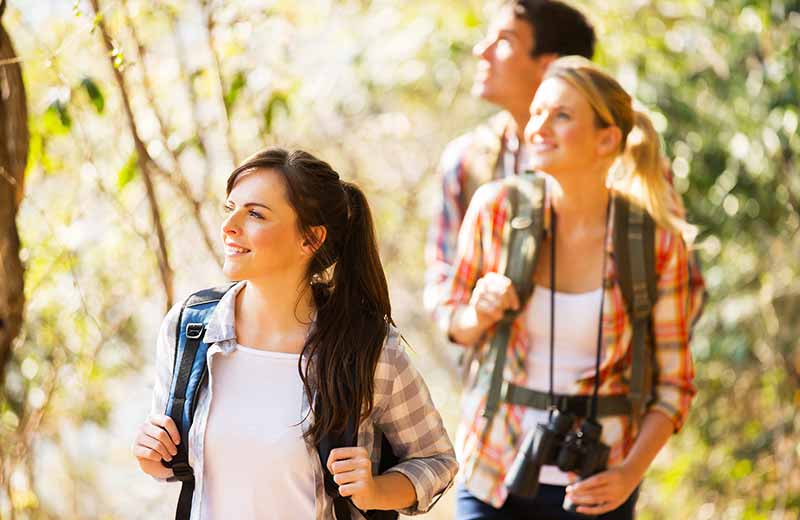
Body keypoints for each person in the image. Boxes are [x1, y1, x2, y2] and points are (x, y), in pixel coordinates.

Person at [133, 148, 458, 519]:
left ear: (311, 239)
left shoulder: (367, 350)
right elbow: (175, 462)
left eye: (255, 214)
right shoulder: (189, 329)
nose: (229, 225)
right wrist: (151, 457)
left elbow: (435, 459)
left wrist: (374, 491)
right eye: (230, 208)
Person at [443, 57, 702, 518]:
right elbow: (456, 324)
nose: (538, 126)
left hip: (598, 482)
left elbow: (674, 386)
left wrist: (629, 474)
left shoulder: (656, 244)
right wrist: (478, 311)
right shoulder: (497, 210)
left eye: (561, 115)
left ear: (607, 139)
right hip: (493, 466)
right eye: (537, 112)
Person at [424, 0, 596, 332]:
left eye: (504, 41)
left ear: (549, 67)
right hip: (496, 377)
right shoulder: (465, 161)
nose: (480, 51)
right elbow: (442, 282)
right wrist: (472, 318)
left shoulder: (620, 155)